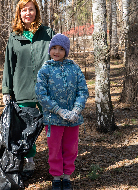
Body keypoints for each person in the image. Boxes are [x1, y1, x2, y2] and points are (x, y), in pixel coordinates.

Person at [2, 0, 55, 177]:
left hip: (45, 90)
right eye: (24, 10)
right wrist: (6, 91)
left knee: (52, 127)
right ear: (19, 13)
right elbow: (8, 65)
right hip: (22, 89)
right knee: (26, 129)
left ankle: (56, 161)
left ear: (36, 12)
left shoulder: (47, 33)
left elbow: (57, 58)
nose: (28, 13)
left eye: (31, 9)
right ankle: (29, 161)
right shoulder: (14, 36)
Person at [35, 33, 89, 190]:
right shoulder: (45, 70)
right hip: (53, 119)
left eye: (60, 49)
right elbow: (41, 94)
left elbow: (82, 90)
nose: (56, 52)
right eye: (54, 48)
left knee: (71, 148)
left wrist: (76, 110)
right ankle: (57, 177)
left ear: (66, 51)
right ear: (49, 50)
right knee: (55, 149)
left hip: (73, 119)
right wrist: (58, 111)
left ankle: (67, 177)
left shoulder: (74, 68)